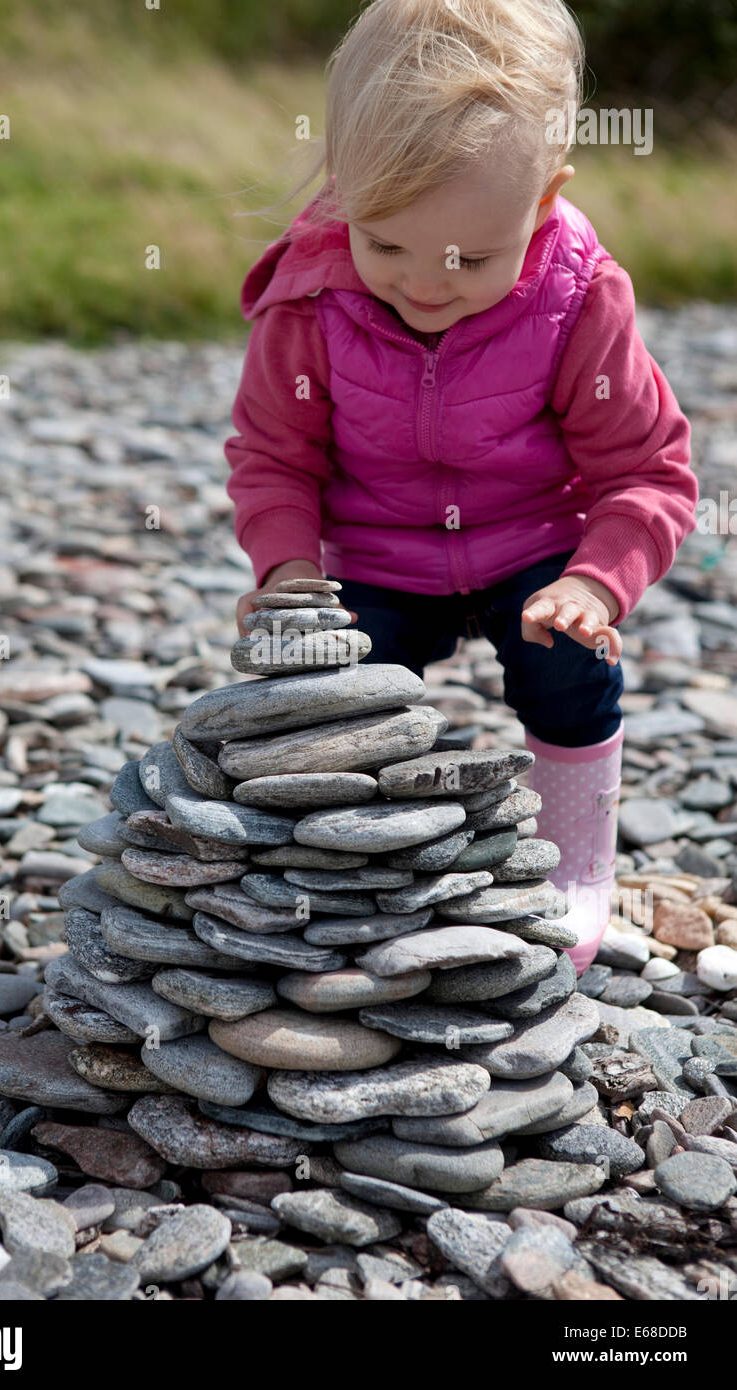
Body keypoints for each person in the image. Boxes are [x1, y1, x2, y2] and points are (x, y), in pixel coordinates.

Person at [225, 0, 698, 972]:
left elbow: (646, 470)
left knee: (567, 663)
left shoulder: (577, 299)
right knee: (321, 683)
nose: (424, 283)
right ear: (340, 191)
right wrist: (282, 570)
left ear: (542, 200)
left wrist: (595, 581)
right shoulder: (308, 300)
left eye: (468, 259)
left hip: (532, 548)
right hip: (378, 553)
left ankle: (574, 859)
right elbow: (274, 455)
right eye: (385, 246)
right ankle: (341, 864)